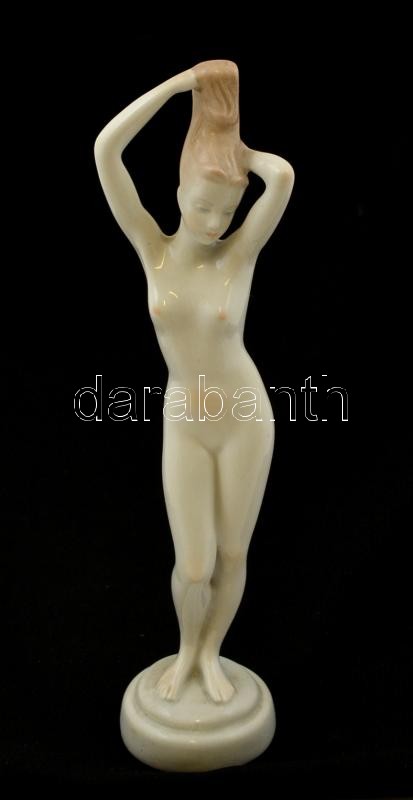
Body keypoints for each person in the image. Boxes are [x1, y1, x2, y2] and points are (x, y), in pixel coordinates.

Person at [94, 61, 294, 704]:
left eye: (227, 208)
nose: (214, 221)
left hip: (244, 417)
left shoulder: (239, 254)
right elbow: (106, 150)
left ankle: (211, 656)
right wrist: (181, 86)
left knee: (233, 555)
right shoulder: (152, 250)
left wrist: (236, 150)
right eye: (203, 203)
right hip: (185, 417)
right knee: (195, 564)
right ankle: (186, 651)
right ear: (178, 189)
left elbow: (282, 176)